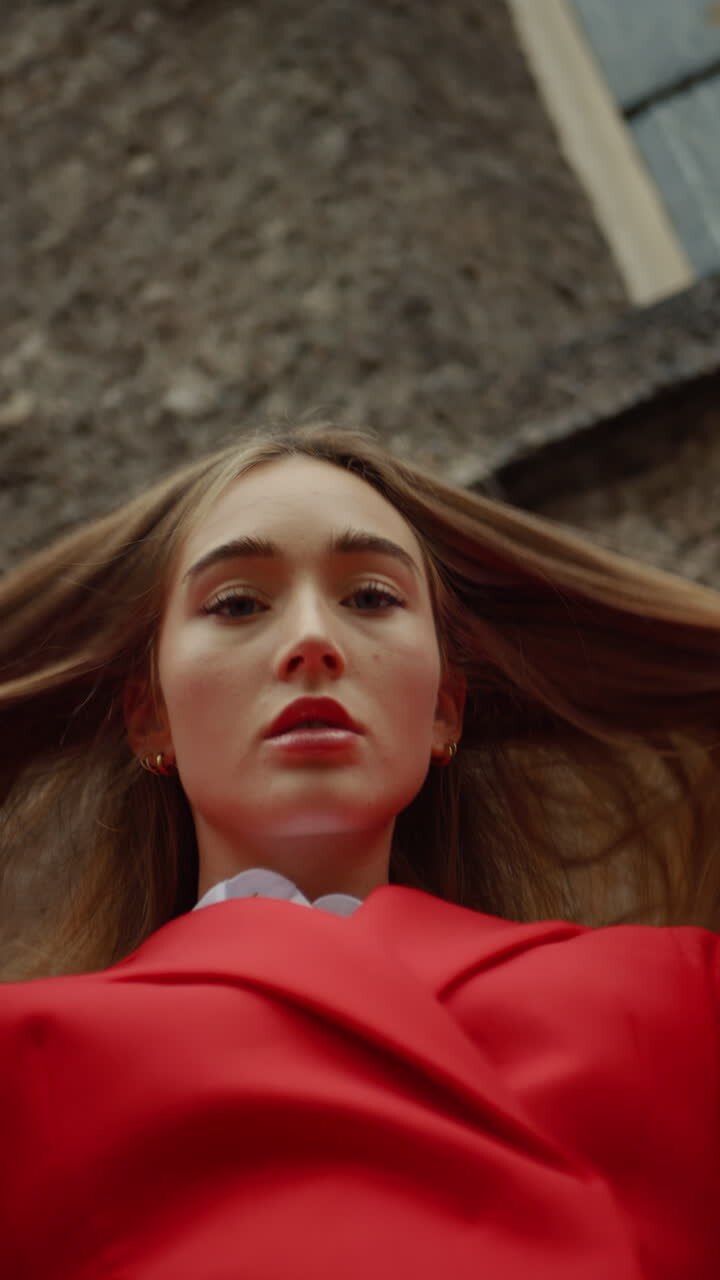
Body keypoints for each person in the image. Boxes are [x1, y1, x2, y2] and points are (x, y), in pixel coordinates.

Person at [1, 420, 719, 1278]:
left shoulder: (677, 999)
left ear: (446, 709)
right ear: (148, 715)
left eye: (372, 596)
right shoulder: (27, 1068)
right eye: (236, 603)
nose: (313, 639)